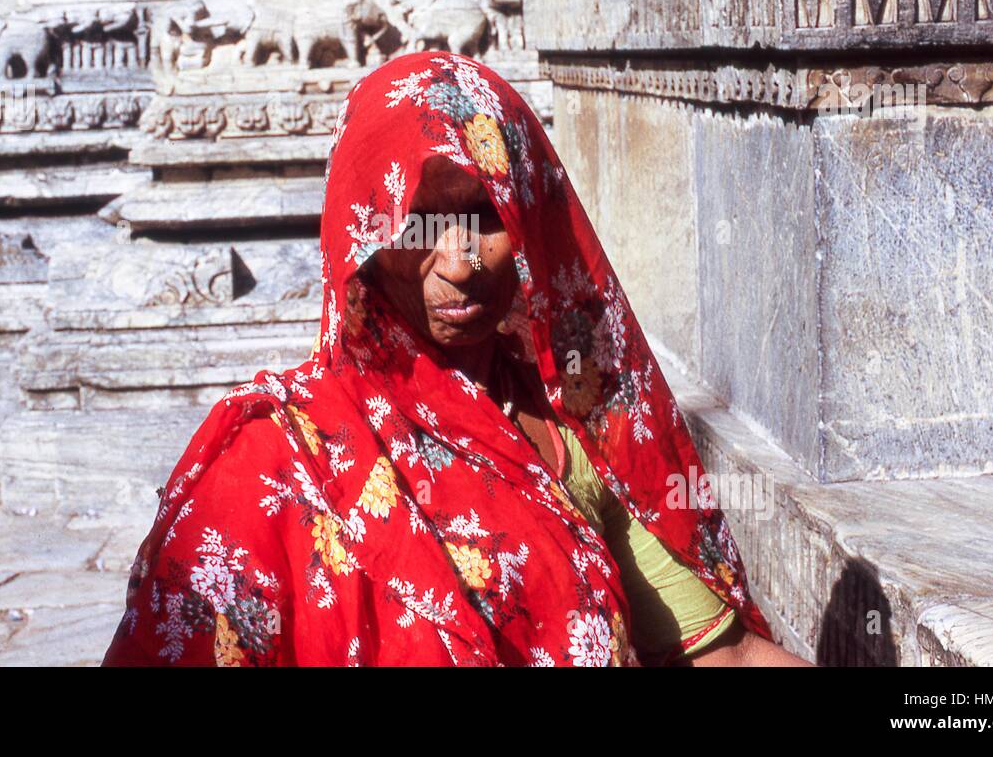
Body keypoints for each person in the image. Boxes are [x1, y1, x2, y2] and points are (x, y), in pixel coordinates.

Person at [102, 51, 812, 666]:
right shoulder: (277, 462)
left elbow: (728, 654)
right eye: (422, 223)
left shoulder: (572, 423)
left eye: (486, 215)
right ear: (365, 237)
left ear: (530, 210)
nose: (461, 262)